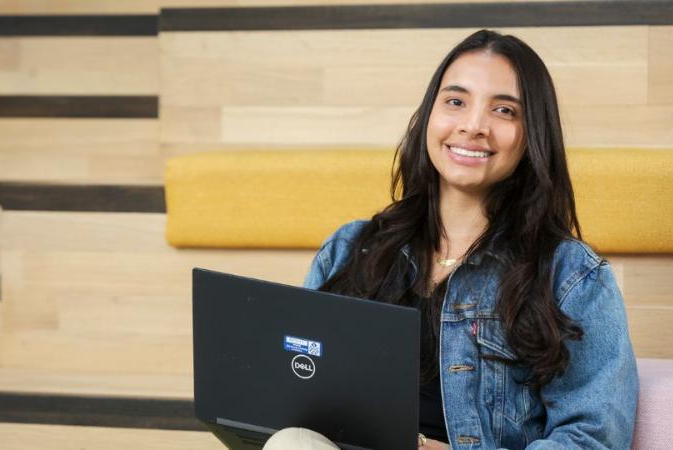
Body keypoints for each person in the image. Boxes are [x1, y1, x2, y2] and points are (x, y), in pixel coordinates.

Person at [265, 29, 638, 450]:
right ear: (430, 115)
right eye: (456, 102)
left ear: (533, 134)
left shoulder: (572, 277)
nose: (474, 126)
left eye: (504, 110)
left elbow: (592, 438)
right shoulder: (350, 249)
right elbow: (299, 394)